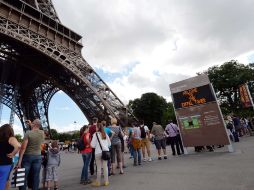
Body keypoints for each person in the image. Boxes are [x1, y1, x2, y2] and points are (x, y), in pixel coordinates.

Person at [17, 119, 45, 190]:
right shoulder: (42, 133)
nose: (31, 123)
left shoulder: (28, 133)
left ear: (34, 124)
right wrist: (31, 124)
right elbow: (36, 129)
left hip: (27, 157)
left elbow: (23, 148)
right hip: (38, 157)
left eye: (32, 123)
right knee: (36, 177)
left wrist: (19, 161)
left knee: (23, 176)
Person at [0, 124, 21, 190]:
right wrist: (13, 154)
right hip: (5, 164)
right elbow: (18, 146)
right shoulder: (11, 138)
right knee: (3, 182)